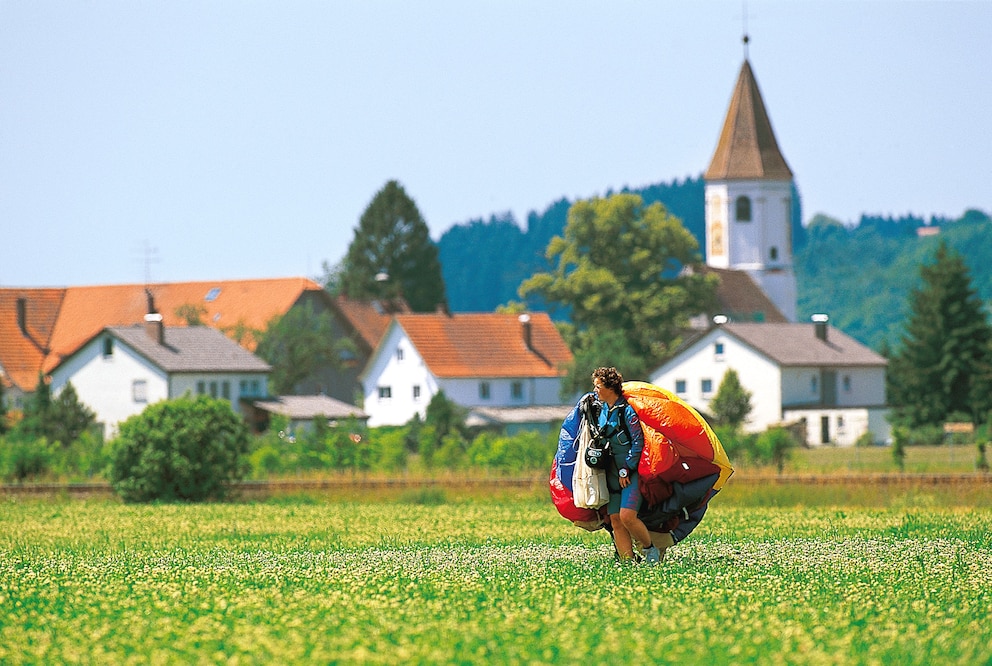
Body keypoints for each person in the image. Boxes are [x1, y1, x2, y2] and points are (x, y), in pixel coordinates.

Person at [591, 367, 662, 564]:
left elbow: (638, 442)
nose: (595, 390)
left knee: (627, 516)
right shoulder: (603, 410)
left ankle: (650, 550)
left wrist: (626, 468)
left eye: (598, 386)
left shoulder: (627, 411)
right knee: (615, 519)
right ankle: (628, 562)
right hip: (612, 473)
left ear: (609, 387)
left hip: (630, 473)